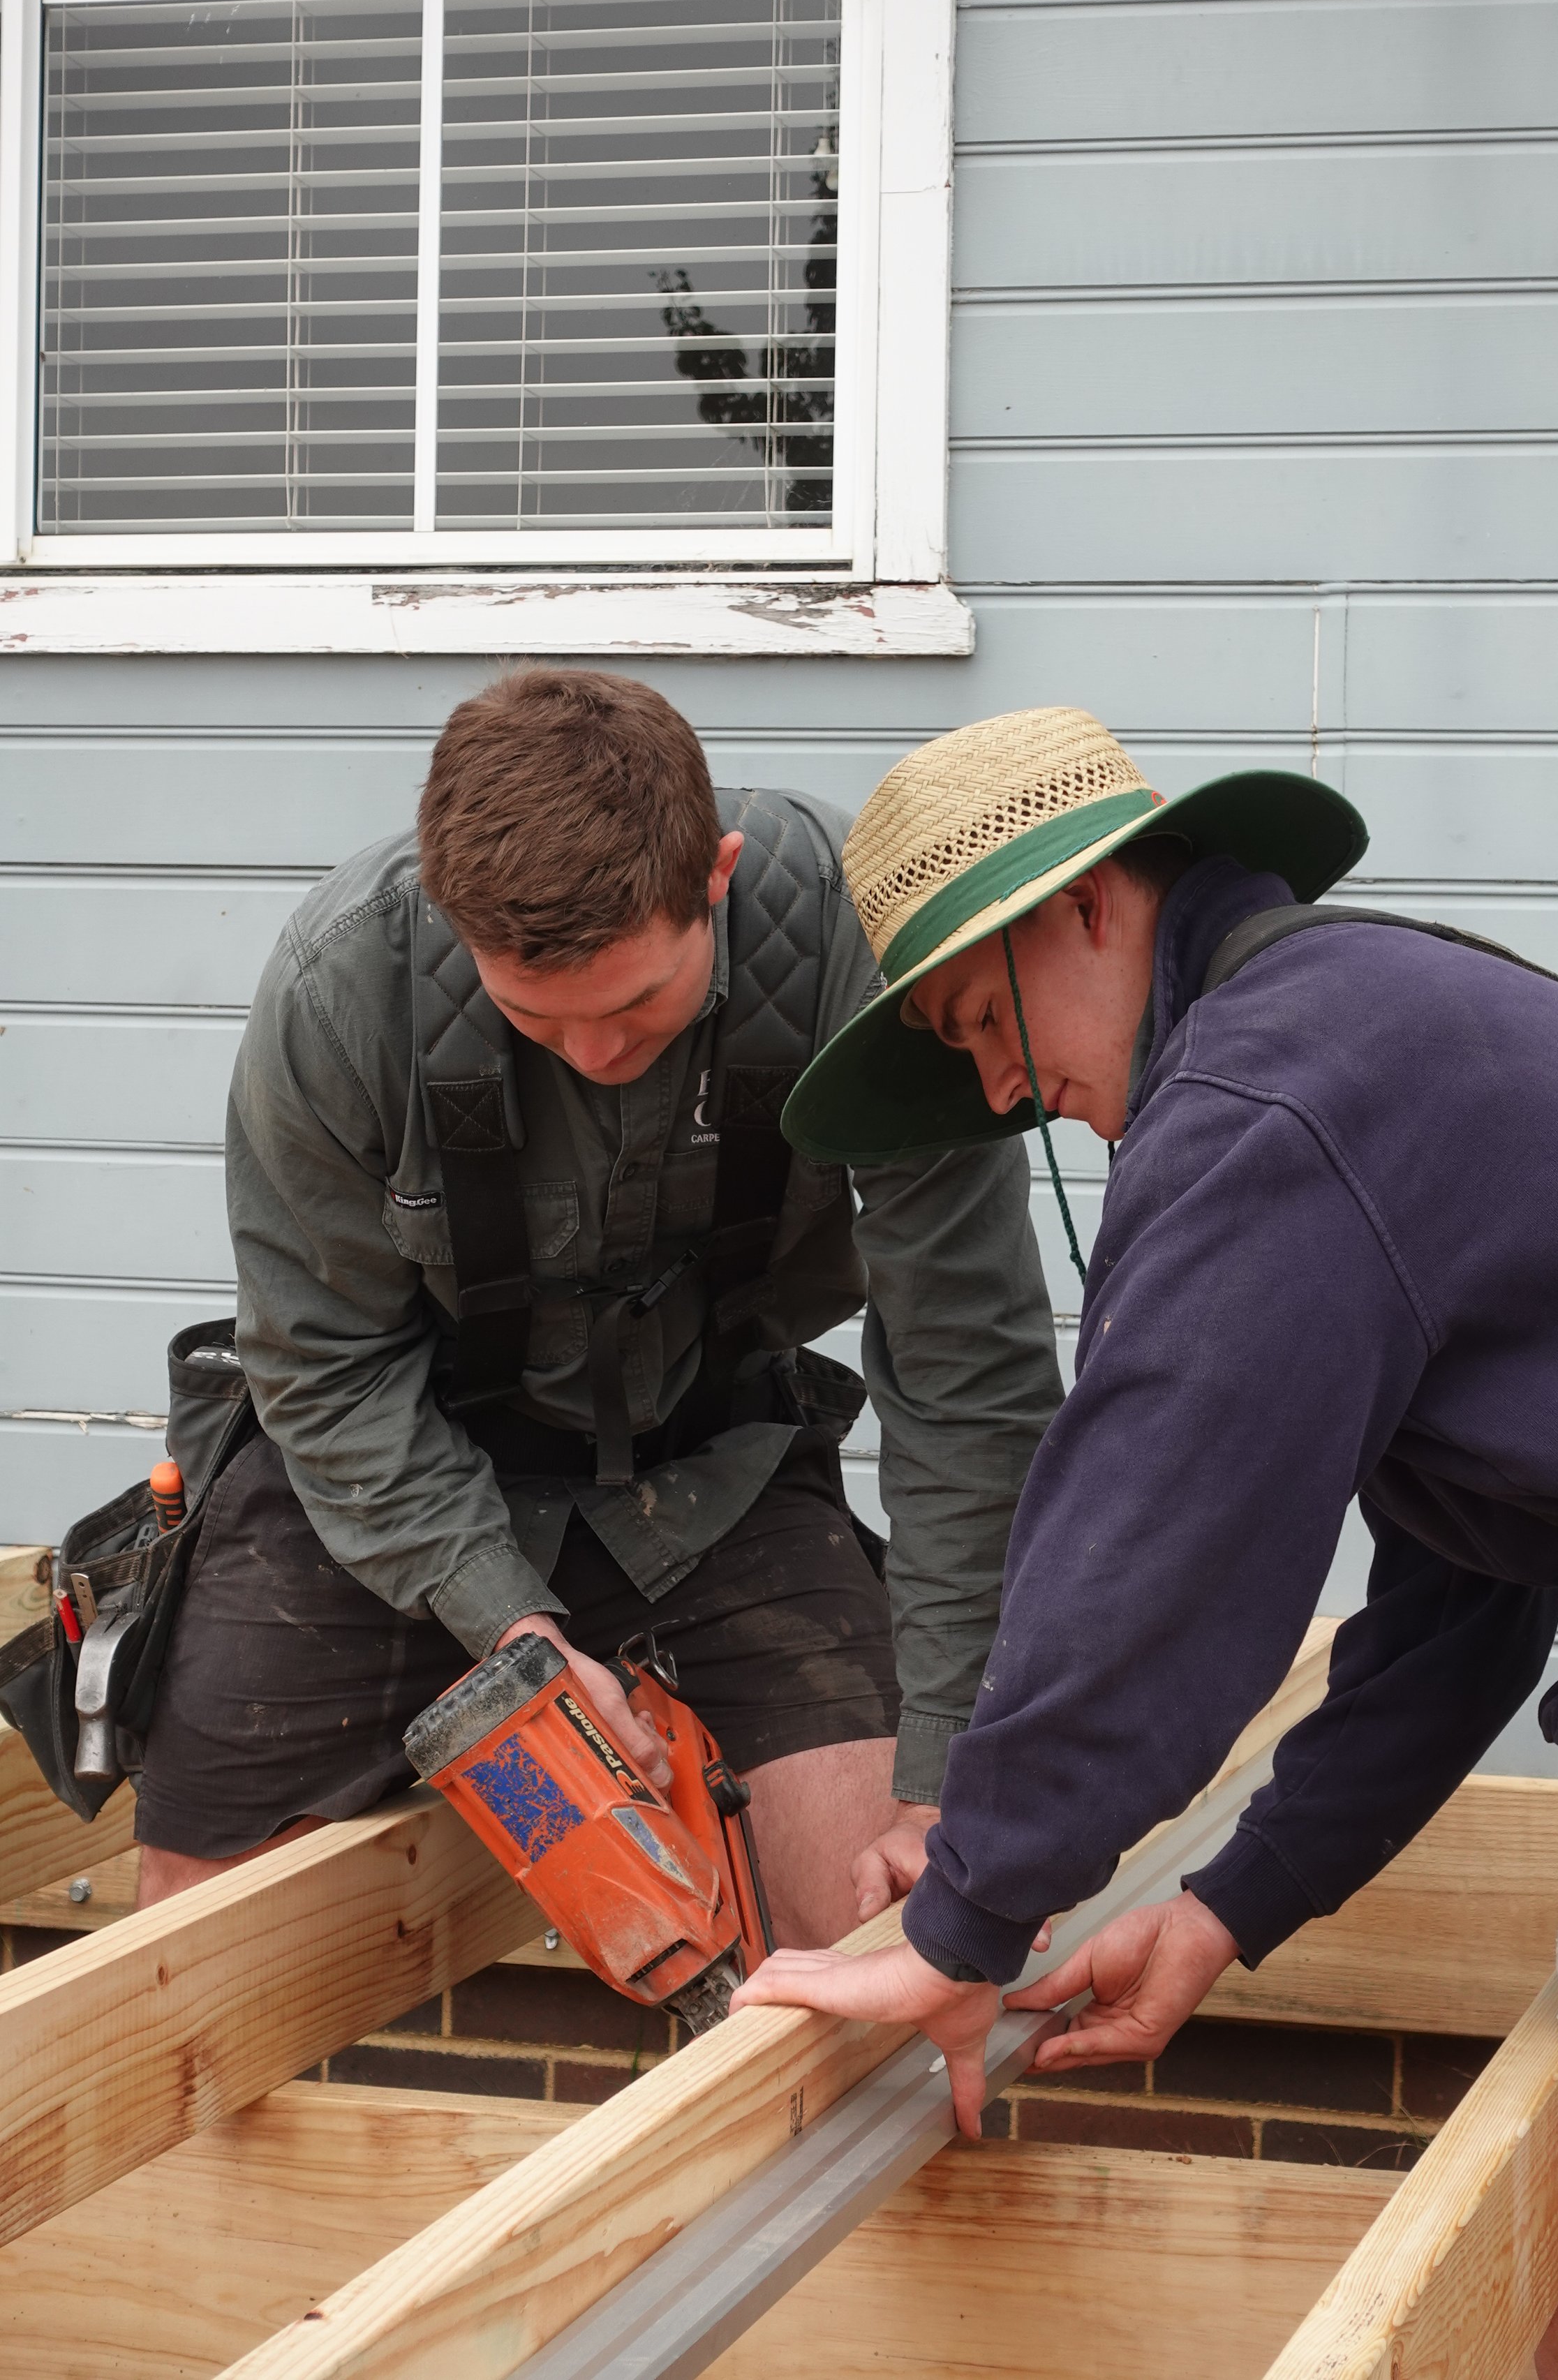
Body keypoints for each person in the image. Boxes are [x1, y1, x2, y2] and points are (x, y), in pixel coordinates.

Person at [735, 704, 1558, 2379]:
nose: (1001, 1088)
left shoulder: (1264, 1097)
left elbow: (1156, 1543)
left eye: (985, 1020)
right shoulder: (1351, 1027)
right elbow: (1468, 1596)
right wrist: (1217, 1910)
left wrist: (959, 1923)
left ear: (1090, 903)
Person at [132, 671, 1062, 1951]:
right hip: (382, 1486)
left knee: (877, 1909)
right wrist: (515, 1634)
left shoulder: (866, 962)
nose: (597, 1054)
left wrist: (947, 1761)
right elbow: (330, 1372)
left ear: (718, 876)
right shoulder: (338, 989)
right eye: (534, 1016)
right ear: (457, 928)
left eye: (636, 1004)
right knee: (181, 1938)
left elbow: (970, 1377)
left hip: (706, 1470)